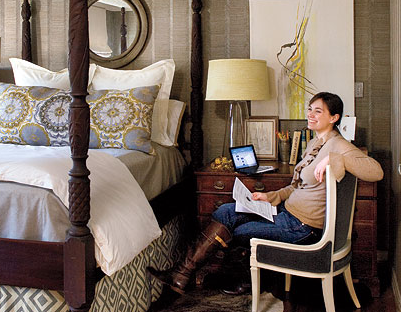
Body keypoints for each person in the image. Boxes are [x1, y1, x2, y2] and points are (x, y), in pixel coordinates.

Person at [148, 92, 384, 295]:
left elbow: (376, 171)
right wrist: (271, 197)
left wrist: (335, 159)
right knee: (226, 211)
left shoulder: (338, 145)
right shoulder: (314, 143)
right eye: (310, 109)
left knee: (237, 231)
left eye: (318, 111)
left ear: (334, 118)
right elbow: (296, 186)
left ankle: (237, 280)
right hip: (285, 213)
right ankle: (183, 274)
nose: (311, 114)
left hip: (301, 227)